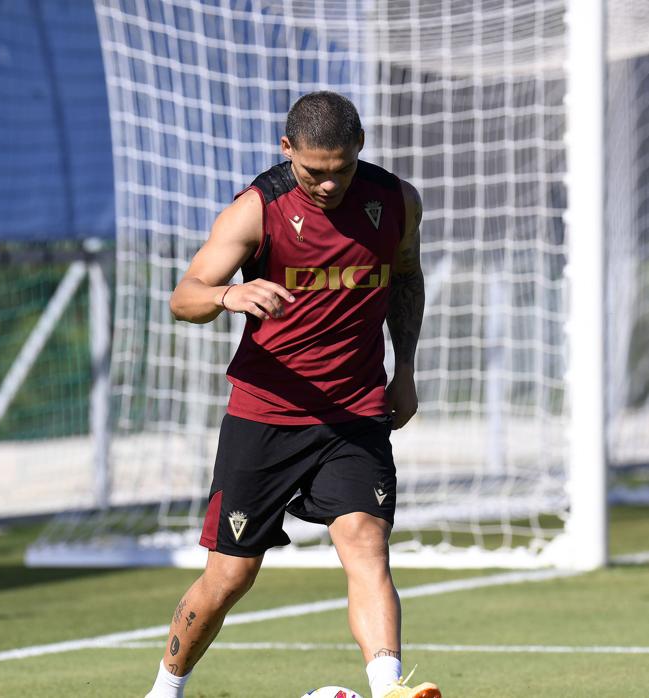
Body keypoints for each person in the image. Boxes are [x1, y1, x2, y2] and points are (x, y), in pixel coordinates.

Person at [145, 91, 439, 698]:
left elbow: (406, 278)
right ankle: (165, 690)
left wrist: (404, 369)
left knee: (366, 544)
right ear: (287, 150)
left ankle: (389, 690)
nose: (328, 185)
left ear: (360, 149)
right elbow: (185, 295)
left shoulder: (396, 201)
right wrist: (228, 295)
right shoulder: (258, 209)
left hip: (355, 412)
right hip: (265, 414)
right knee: (230, 576)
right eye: (313, 171)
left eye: (341, 169)